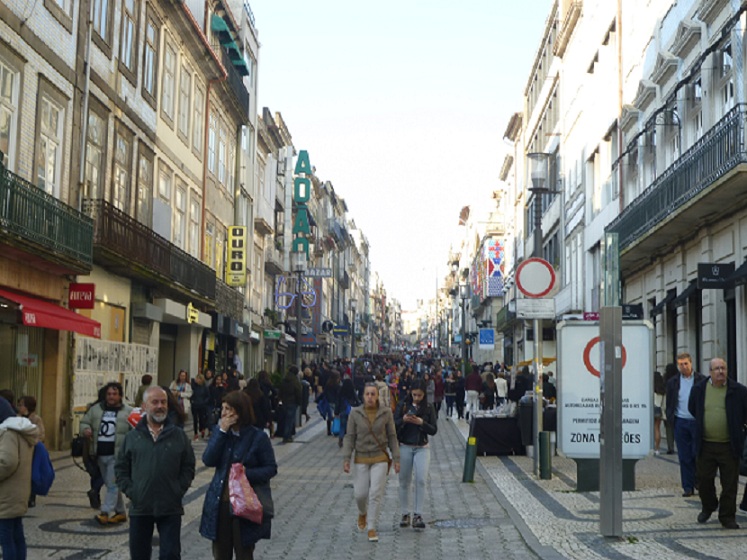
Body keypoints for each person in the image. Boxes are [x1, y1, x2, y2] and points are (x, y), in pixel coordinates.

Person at [115, 386, 196, 559]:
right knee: (139, 553)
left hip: (170, 507)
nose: (160, 406)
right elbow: (121, 468)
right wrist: (133, 491)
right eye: (155, 402)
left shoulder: (179, 436)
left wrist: (178, 489)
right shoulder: (133, 437)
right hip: (140, 506)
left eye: (164, 402)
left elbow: (188, 466)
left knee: (170, 554)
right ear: (144, 407)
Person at [200, 390, 278, 559]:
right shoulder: (222, 433)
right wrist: (221, 432)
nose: (224, 413)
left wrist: (245, 474)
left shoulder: (257, 437)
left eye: (228, 409)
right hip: (221, 502)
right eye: (223, 408)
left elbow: (271, 468)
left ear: (240, 411)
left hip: (245, 504)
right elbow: (208, 459)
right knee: (221, 552)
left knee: (244, 552)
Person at [688, 357, 747, 529]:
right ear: (710, 372)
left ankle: (727, 516)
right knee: (704, 480)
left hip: (729, 445)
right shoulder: (699, 389)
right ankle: (709, 505)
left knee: (729, 484)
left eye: (723, 368)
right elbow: (693, 409)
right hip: (705, 444)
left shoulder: (738, 391)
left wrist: (738, 426)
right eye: (717, 369)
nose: (721, 371)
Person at [341, 382, 401, 543]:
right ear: (363, 396)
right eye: (367, 394)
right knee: (360, 494)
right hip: (361, 457)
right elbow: (350, 437)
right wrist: (346, 458)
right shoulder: (355, 414)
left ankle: (372, 527)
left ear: (377, 396)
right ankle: (362, 512)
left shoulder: (386, 413)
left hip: (380, 457)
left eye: (373, 394)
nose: (370, 397)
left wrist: (396, 458)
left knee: (375, 492)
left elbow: (392, 437)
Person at [79, 382, 132, 525]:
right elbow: (84, 422)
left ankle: (105, 512)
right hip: (100, 454)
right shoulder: (96, 409)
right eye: (109, 394)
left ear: (120, 395)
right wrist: (85, 430)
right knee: (111, 483)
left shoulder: (128, 411)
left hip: (118, 455)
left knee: (113, 484)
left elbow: (136, 431)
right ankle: (120, 512)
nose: (111, 397)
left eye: (114, 394)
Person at [394, 379, 437, 530]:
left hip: (422, 447)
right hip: (405, 445)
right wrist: (404, 420)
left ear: (424, 394)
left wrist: (421, 423)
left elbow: (434, 429)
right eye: (414, 395)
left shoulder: (429, 407)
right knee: (404, 480)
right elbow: (393, 425)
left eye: (419, 395)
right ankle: (405, 513)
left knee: (421, 479)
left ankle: (418, 513)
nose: (416, 398)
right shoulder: (403, 405)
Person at [0, 396, 38, 560]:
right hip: (18, 492)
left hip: (6, 493)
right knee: (16, 534)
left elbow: (7, 462)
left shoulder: (8, 433)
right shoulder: (21, 430)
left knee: (6, 538)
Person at [665, 352, 705, 497]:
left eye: (685, 363)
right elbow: (670, 401)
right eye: (680, 364)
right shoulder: (673, 382)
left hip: (696, 421)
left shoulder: (701, 380)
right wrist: (671, 418)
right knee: (684, 456)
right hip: (680, 421)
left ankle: (698, 481)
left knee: (697, 454)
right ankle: (687, 486)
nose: (683, 366)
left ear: (691, 363)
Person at [16, 396, 45, 508]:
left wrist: (32, 441)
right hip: (19, 450)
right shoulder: (16, 418)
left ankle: (31, 497)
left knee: (31, 474)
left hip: (32, 451)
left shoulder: (36, 419)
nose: (19, 407)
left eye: (21, 405)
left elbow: (42, 435)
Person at [278, 366, 302, 443]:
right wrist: (299, 402)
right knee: (290, 420)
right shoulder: (295, 381)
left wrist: (280, 399)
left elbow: (280, 390)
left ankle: (286, 435)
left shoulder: (284, 380)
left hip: (285, 402)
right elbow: (298, 392)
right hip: (292, 402)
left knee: (286, 419)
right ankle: (287, 436)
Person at [336, 378, 360, 448]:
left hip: (342, 409)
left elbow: (338, 402)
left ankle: (341, 439)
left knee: (342, 426)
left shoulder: (341, 390)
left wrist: (336, 411)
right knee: (352, 426)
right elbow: (357, 399)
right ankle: (352, 441)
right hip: (351, 409)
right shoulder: (352, 390)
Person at [662, 363, 678, 454]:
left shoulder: (665, 380)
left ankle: (670, 447)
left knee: (668, 428)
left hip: (667, 406)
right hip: (676, 406)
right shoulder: (678, 379)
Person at [191, 374, 211, 440]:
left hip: (202, 405)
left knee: (201, 418)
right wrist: (192, 401)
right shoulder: (194, 386)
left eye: (199, 379)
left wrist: (204, 402)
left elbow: (208, 396)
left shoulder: (205, 387)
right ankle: (195, 433)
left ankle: (202, 429)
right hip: (195, 405)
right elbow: (192, 392)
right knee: (195, 419)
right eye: (197, 379)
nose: (198, 380)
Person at [653, 371, 666, 455]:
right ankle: (657, 449)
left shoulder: (652, 390)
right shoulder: (662, 391)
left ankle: (651, 446)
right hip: (659, 410)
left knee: (651, 429)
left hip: (652, 409)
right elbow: (663, 404)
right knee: (657, 428)